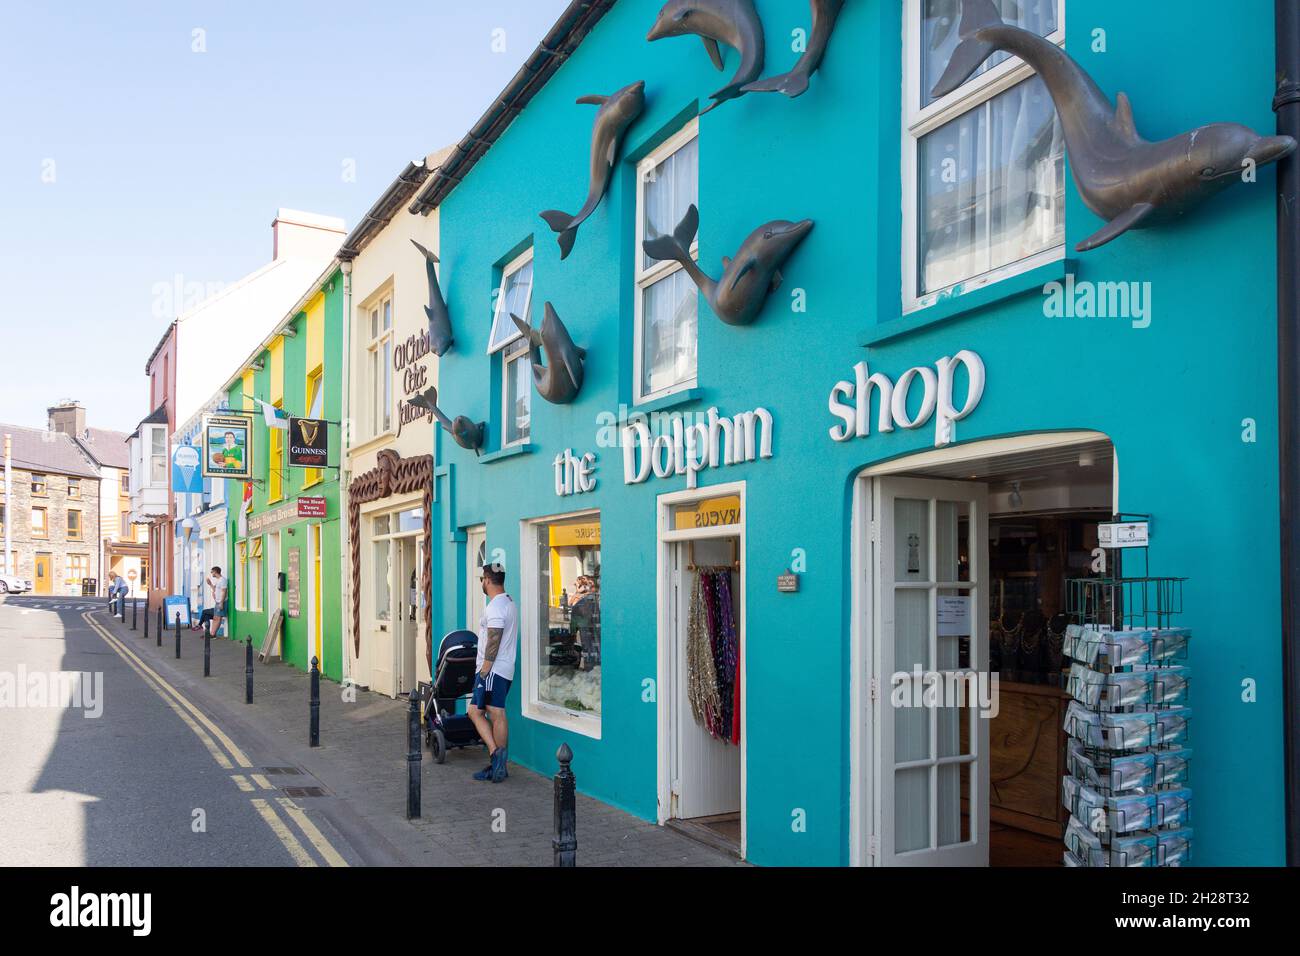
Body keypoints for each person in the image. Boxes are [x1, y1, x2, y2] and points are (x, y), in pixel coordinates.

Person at [466, 562, 518, 783]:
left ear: (487, 580)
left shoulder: (495, 607)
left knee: (494, 714)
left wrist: (483, 674)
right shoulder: (508, 602)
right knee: (476, 711)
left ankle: (498, 762)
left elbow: (493, 641)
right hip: (503, 669)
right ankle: (497, 759)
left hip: (493, 670)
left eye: (481, 580)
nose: (482, 583)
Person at [206, 567, 228, 638]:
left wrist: (221, 602)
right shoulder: (218, 580)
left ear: (215, 572)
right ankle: (212, 633)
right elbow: (215, 590)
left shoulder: (223, 580)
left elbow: (224, 591)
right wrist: (210, 584)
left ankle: (213, 634)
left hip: (222, 601)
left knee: (218, 618)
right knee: (215, 617)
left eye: (212, 572)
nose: (211, 573)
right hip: (217, 601)